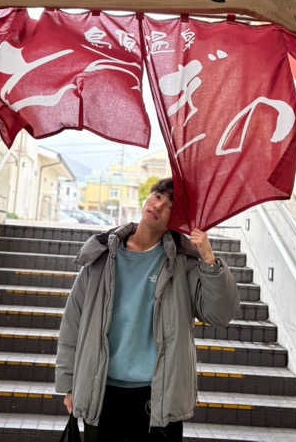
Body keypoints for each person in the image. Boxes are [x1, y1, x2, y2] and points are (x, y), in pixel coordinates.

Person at [55, 178, 239, 441]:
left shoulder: (183, 264)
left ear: (178, 221)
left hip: (158, 396)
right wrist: (68, 384)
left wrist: (209, 261)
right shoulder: (102, 256)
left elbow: (220, 314)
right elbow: (72, 323)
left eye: (169, 205)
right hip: (102, 391)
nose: (159, 205)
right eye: (158, 196)